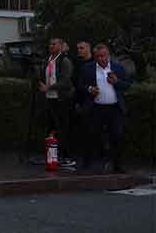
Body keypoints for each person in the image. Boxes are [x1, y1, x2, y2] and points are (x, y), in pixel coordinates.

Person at [78, 44, 132, 174]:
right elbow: (80, 85)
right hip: (96, 108)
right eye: (98, 56)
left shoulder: (117, 68)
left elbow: (127, 85)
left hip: (114, 109)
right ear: (95, 57)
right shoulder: (88, 68)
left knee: (117, 136)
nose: (101, 59)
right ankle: (88, 164)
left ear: (108, 55)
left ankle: (117, 165)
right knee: (92, 136)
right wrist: (90, 89)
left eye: (104, 56)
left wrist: (116, 82)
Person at [38, 37, 76, 168]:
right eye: (50, 44)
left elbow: (65, 80)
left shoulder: (64, 61)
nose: (51, 46)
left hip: (62, 99)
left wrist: (49, 87)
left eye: (54, 44)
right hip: (50, 99)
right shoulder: (46, 61)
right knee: (50, 127)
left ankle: (68, 156)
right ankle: (52, 155)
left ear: (60, 46)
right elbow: (42, 75)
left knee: (63, 127)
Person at [73, 41, 96, 169]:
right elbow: (77, 84)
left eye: (82, 48)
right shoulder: (78, 64)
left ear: (89, 49)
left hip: (95, 100)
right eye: (78, 48)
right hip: (82, 100)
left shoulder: (94, 63)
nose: (79, 50)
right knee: (83, 130)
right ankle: (85, 158)